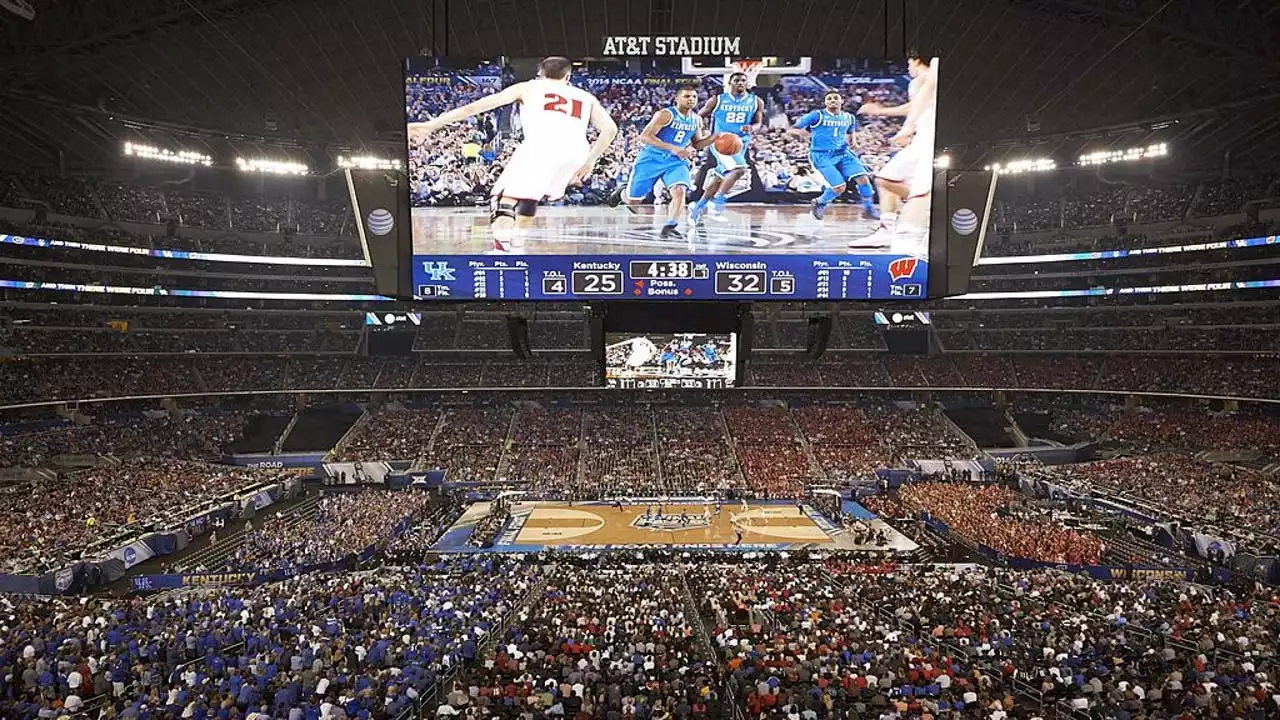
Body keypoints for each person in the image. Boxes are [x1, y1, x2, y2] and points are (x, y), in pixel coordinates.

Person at [409, 56, 619, 251]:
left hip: (541, 147)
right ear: (568, 76)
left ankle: (502, 251)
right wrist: (591, 161)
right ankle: (518, 242)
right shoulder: (586, 96)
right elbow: (610, 129)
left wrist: (431, 125)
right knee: (529, 198)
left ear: (540, 72)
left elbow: (472, 109)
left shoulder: (527, 88)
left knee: (502, 198)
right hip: (576, 152)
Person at [608, 83, 715, 239]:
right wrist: (673, 148)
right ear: (677, 99)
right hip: (651, 158)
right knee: (633, 202)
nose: (691, 99)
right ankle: (623, 193)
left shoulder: (696, 119)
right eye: (687, 96)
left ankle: (670, 226)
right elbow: (644, 137)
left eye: (694, 97)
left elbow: (697, 144)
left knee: (679, 190)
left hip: (675, 161)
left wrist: (714, 138)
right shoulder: (666, 114)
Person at [857, 50, 937, 253]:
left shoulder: (923, 78)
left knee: (885, 180)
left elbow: (915, 105)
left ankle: (895, 227)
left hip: (927, 138)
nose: (908, 66)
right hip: (924, 137)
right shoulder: (929, 78)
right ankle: (890, 226)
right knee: (885, 179)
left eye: (909, 62)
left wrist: (880, 111)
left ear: (917, 60)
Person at [788, 90, 879, 221]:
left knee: (863, 179)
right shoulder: (817, 115)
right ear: (825, 102)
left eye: (835, 98)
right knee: (839, 187)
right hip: (821, 155)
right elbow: (792, 129)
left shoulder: (849, 117)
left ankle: (869, 209)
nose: (832, 100)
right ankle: (820, 202)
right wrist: (804, 135)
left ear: (841, 101)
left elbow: (851, 138)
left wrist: (853, 144)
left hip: (843, 153)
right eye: (829, 98)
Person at [690, 71, 764, 223]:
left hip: (741, 143)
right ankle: (718, 201)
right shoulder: (717, 100)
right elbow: (698, 117)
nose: (740, 83)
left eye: (743, 80)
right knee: (740, 169)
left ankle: (698, 207)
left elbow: (758, 123)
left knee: (718, 178)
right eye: (737, 80)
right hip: (721, 142)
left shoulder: (756, 101)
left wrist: (752, 128)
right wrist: (701, 133)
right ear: (729, 83)